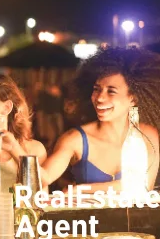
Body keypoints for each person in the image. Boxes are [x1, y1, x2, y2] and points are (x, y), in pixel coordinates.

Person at [41, 47, 160, 192]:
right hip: (89, 216)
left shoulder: (148, 136)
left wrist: (81, 189)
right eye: (96, 89)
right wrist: (17, 149)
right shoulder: (75, 139)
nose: (99, 98)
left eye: (111, 91)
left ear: (133, 99)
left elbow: (142, 186)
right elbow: (44, 177)